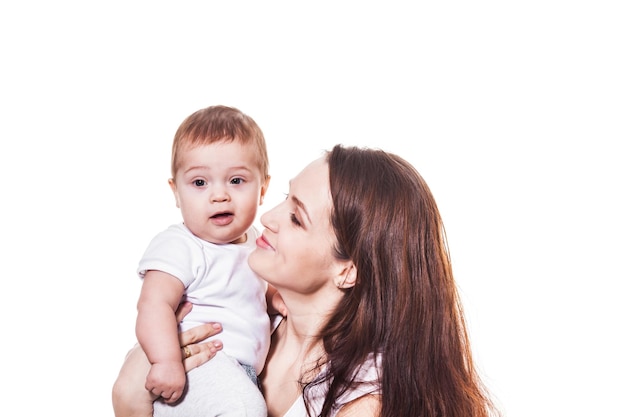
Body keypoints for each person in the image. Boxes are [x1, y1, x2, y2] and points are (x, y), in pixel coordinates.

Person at [114, 144, 501, 417]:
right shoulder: (250, 319)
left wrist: (131, 406)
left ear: (348, 270)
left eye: (297, 218)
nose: (269, 218)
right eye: (285, 197)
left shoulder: (364, 403)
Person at [112, 105, 274, 417]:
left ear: (263, 189)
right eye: (200, 183)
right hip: (196, 364)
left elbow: (248, 288)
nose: (219, 195)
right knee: (245, 410)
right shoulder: (180, 245)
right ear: (175, 192)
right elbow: (153, 305)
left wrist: (275, 299)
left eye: (236, 181)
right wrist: (166, 361)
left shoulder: (254, 240)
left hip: (237, 372)